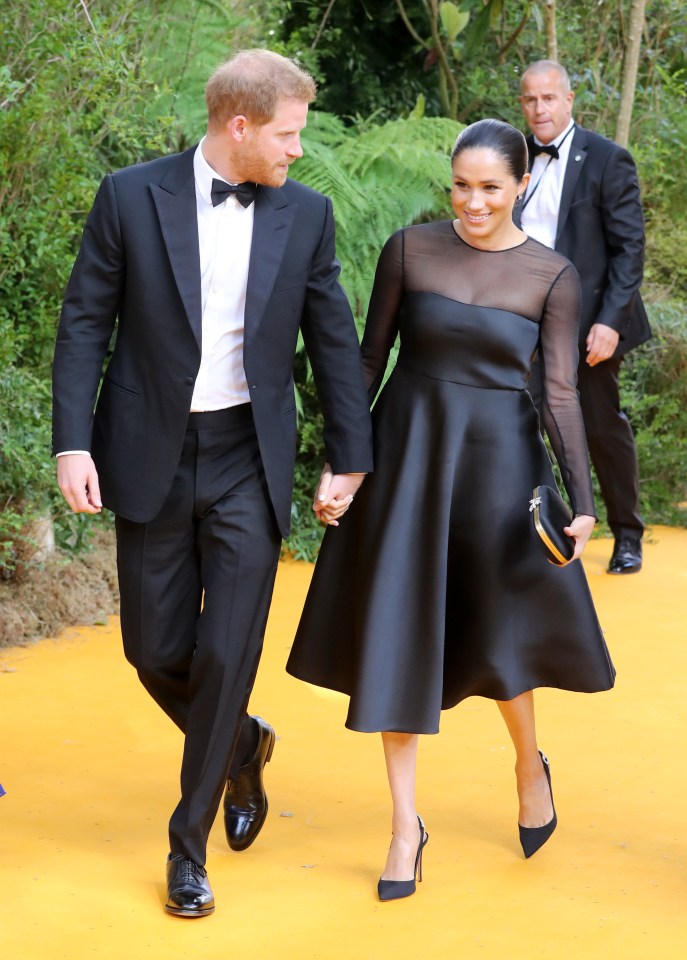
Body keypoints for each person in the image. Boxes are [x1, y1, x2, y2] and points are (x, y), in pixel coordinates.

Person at [52, 49, 373, 918]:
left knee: (228, 652)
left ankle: (186, 848)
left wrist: (350, 454)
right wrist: (70, 445)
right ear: (239, 126)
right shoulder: (129, 195)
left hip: (248, 458)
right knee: (153, 649)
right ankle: (241, 743)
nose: (296, 150)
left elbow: (332, 339)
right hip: (148, 450)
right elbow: (84, 320)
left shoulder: (305, 216)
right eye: (288, 133)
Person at [286, 119, 615, 901]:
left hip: (499, 471)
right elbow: (368, 362)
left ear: (521, 185)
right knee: (396, 637)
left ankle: (527, 764)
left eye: (490, 187)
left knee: (499, 636)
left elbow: (561, 392)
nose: (472, 201)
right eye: (461, 185)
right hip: (407, 459)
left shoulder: (551, 275)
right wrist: (343, 463)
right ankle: (404, 827)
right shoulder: (409, 249)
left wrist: (581, 500)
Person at [517, 60, 651, 574]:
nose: (539, 109)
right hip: (526, 319)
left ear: (569, 100)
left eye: (548, 98)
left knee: (599, 426)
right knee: (522, 421)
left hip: (592, 320)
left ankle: (627, 533)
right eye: (530, 99)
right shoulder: (515, 156)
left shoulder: (608, 159)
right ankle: (544, 528)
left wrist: (611, 322)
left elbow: (629, 248)